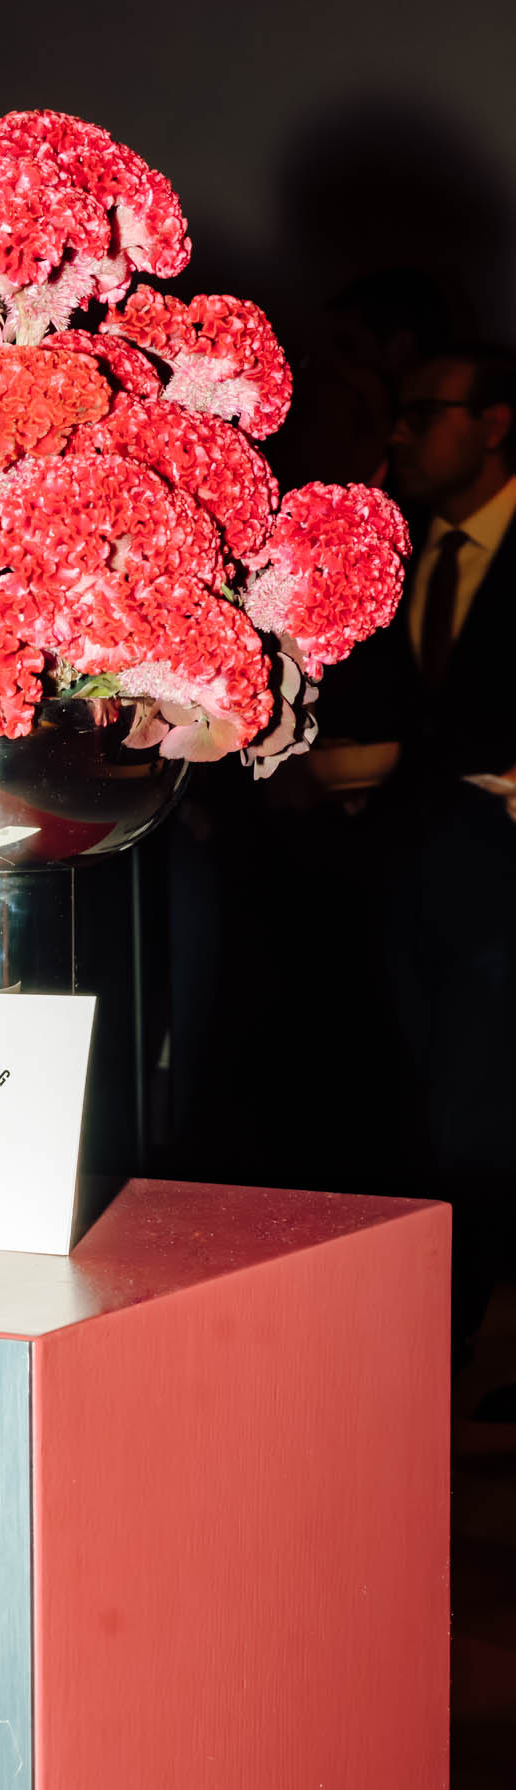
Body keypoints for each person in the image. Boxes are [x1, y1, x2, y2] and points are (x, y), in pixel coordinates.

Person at [381, 344, 516, 1392]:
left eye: (425, 412)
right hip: (401, 883)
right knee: (422, 1113)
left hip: (501, 898)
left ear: (495, 424)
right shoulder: (391, 548)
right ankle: (431, 1347)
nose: (401, 434)